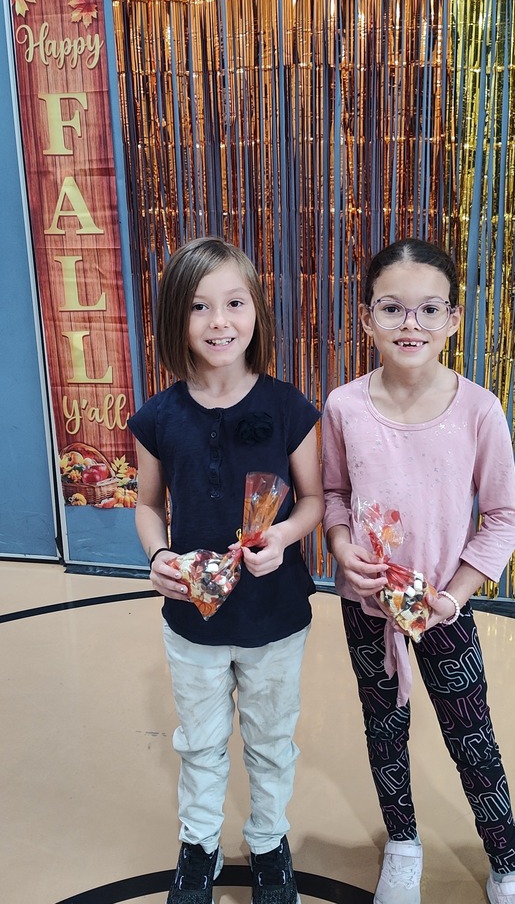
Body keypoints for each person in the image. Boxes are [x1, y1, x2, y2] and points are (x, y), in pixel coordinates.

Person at [321, 238, 515, 904]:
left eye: (427, 309)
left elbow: (503, 517)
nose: (409, 324)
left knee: (473, 737)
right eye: (391, 308)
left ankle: (507, 866)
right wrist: (339, 545)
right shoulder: (344, 407)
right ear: (366, 318)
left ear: (453, 320)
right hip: (369, 609)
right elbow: (332, 494)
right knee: (384, 731)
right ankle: (403, 843)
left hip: (443, 608)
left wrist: (454, 597)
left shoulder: (479, 409)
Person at [128, 236, 323, 904]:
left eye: (234, 303)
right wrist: (158, 557)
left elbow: (317, 499)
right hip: (193, 620)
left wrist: (288, 536)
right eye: (200, 307)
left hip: (275, 618)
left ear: (256, 312)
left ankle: (269, 843)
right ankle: (199, 846)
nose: (220, 321)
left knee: (271, 741)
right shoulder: (158, 417)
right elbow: (148, 506)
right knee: (201, 742)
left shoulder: (289, 406)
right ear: (175, 320)